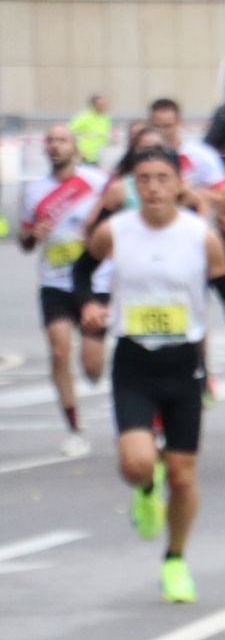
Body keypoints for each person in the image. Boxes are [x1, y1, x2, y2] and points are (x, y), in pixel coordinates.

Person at [72, 145, 225, 603]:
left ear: (179, 184)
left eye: (161, 178)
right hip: (134, 358)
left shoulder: (199, 235)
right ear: (134, 185)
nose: (152, 188)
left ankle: (175, 560)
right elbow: (80, 272)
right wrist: (89, 305)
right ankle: (144, 488)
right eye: (144, 179)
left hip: (183, 362)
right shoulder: (115, 231)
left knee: (183, 476)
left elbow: (223, 282)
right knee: (136, 462)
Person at [18, 123, 111, 456]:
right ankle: (74, 429)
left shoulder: (96, 183)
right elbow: (25, 242)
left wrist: (96, 234)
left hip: (94, 282)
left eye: (62, 140)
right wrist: (34, 236)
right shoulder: (34, 192)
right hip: (54, 282)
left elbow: (114, 219)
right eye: (51, 140)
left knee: (92, 365)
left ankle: (97, 371)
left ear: (75, 147)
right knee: (58, 352)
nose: (56, 146)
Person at [147, 98, 225, 199]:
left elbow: (224, 195)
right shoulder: (143, 155)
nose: (162, 131)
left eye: (167, 126)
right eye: (157, 126)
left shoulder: (202, 154)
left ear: (179, 122)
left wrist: (193, 193)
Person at [71, 93, 112, 166]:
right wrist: (77, 150)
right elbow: (69, 132)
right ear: (94, 105)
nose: (104, 106)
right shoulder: (84, 117)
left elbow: (105, 135)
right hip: (84, 157)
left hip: (99, 157)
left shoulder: (106, 119)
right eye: (101, 104)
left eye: (105, 104)